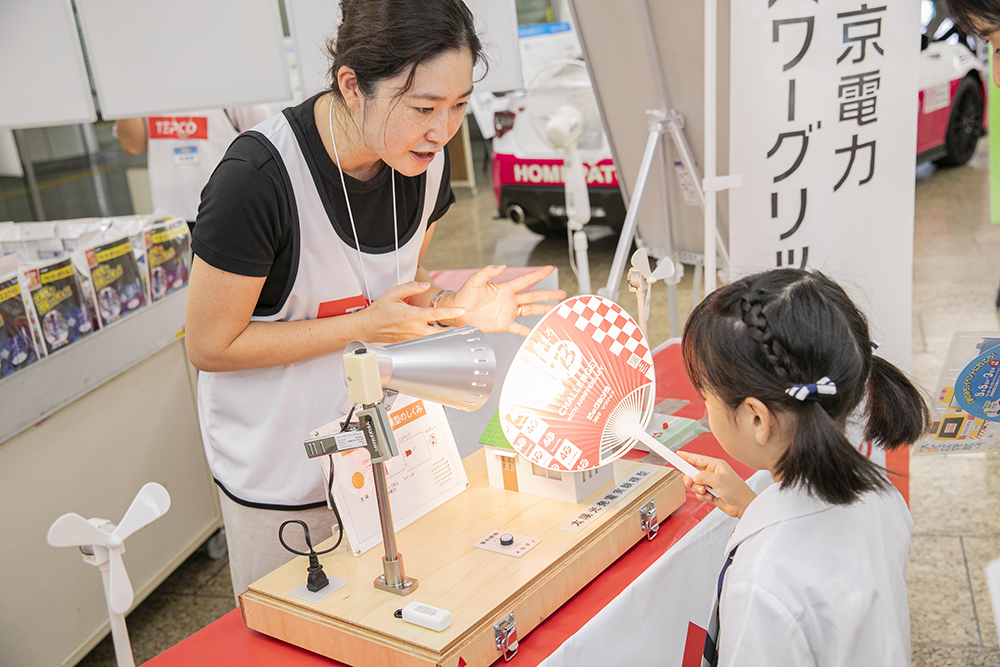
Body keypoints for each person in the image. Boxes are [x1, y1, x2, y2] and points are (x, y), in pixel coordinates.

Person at [184, 0, 566, 598]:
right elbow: (211, 345)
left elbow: (395, 293)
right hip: (283, 478)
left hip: (389, 458)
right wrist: (364, 325)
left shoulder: (423, 165)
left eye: (460, 107)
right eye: (422, 108)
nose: (442, 131)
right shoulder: (256, 180)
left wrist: (449, 305)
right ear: (352, 86)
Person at [672, 269, 928, 667]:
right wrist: (753, 507)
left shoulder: (762, 582)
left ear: (756, 418)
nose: (705, 410)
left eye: (706, 396)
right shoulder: (882, 495)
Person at [114, 106, 272, 226]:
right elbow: (132, 146)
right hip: (170, 216)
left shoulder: (228, 76)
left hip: (228, 213)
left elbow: (266, 144)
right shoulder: (145, 82)